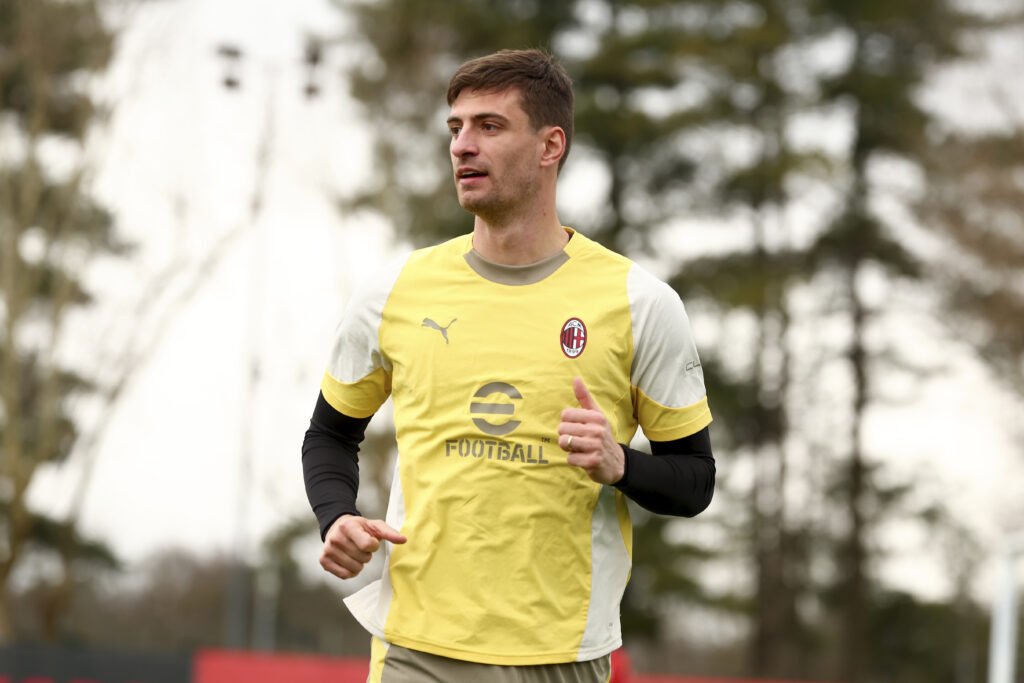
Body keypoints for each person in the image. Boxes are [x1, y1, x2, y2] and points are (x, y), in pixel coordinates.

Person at [302, 48, 715, 683]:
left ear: (551, 146)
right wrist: (337, 517)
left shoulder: (641, 304)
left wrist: (620, 464)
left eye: (489, 126)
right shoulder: (396, 291)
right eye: (455, 128)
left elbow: (696, 479)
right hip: (417, 647)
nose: (463, 145)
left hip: (562, 655)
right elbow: (330, 434)